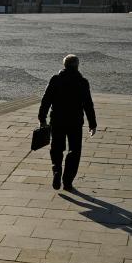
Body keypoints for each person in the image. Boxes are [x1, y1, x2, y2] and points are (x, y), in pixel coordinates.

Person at [38, 54, 97, 191]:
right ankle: (68, 181)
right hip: (75, 121)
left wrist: (42, 119)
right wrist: (92, 124)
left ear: (64, 65)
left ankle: (56, 170)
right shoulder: (82, 82)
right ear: (77, 66)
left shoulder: (56, 79)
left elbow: (45, 100)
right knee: (74, 150)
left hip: (57, 120)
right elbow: (88, 105)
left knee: (57, 147)